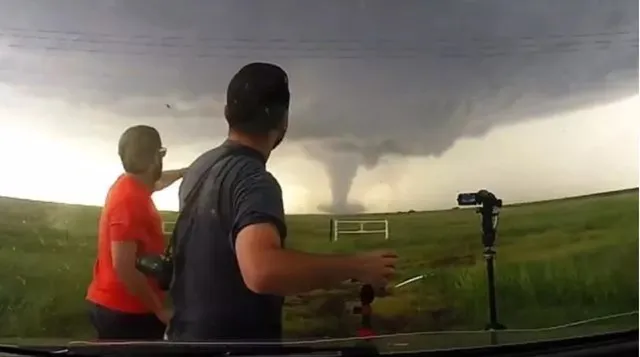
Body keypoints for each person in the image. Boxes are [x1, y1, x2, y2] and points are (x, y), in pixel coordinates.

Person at [167, 62, 398, 342]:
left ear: (228, 112)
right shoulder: (254, 179)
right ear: (283, 120)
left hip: (184, 338)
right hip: (234, 346)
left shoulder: (198, 167)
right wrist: (358, 266)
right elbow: (262, 272)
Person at [86, 125, 187, 340]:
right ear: (155, 158)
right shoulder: (130, 201)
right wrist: (159, 310)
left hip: (116, 305)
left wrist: (182, 173)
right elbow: (124, 267)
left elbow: (157, 182)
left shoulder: (129, 184)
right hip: (126, 312)